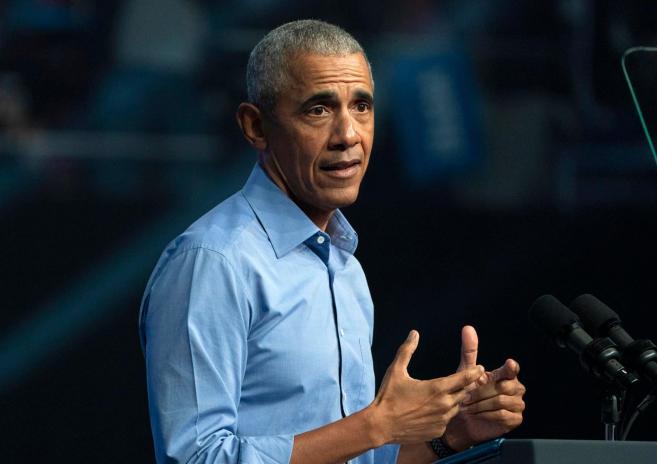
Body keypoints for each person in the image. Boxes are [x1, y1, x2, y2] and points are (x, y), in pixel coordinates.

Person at [139, 19, 525, 464]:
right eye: (318, 110)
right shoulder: (213, 262)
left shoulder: (343, 266)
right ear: (255, 126)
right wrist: (376, 424)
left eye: (361, 106)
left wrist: (451, 436)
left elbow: (355, 457)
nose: (348, 135)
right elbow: (195, 458)